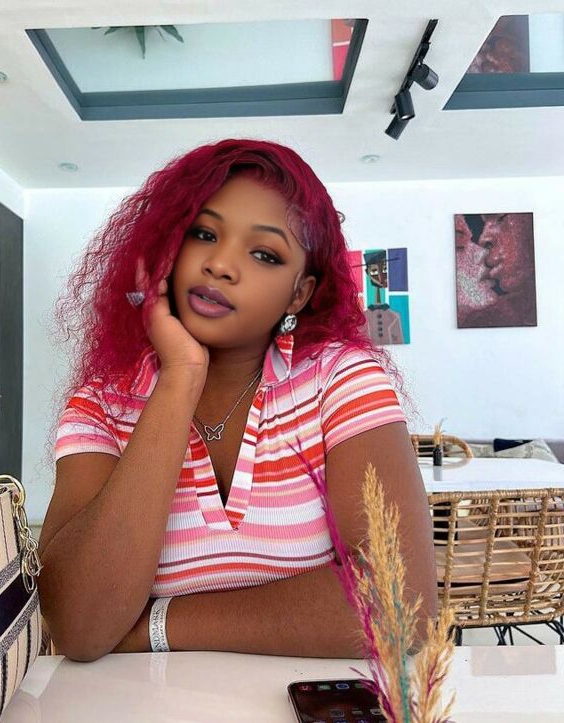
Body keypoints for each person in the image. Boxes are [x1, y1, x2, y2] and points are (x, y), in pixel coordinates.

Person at [38, 139, 437, 662]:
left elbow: (400, 602)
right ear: (167, 249)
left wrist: (155, 622)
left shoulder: (340, 379)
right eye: (203, 234)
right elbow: (78, 624)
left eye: (264, 254)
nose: (221, 265)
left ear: (298, 294)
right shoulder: (101, 406)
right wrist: (180, 377)